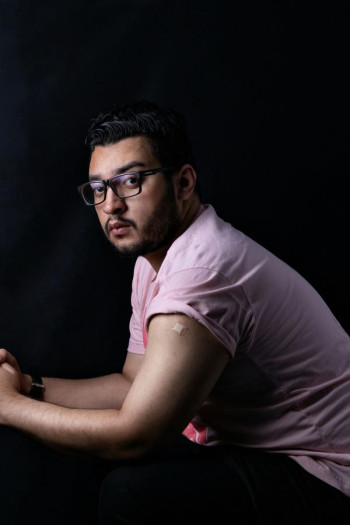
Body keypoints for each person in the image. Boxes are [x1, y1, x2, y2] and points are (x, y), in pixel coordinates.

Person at [0, 100, 349, 524]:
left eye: (130, 181)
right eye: (98, 189)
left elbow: (136, 437)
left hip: (327, 474)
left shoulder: (203, 273)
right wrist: (25, 385)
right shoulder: (156, 260)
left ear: (183, 183)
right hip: (262, 452)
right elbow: (132, 383)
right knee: (96, 459)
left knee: (133, 491)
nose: (111, 205)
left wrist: (8, 408)